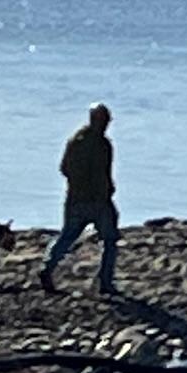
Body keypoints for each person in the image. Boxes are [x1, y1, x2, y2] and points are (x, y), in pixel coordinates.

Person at [41, 102, 121, 296]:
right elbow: (103, 173)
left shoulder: (76, 141)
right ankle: (105, 282)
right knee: (109, 240)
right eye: (104, 120)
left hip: (76, 199)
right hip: (97, 201)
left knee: (67, 236)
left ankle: (48, 266)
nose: (106, 124)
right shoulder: (102, 144)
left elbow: (64, 168)